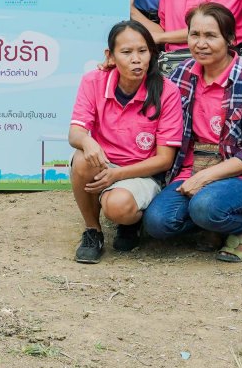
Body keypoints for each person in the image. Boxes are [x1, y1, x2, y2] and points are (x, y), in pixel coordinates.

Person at [140, 3, 242, 262]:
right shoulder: (182, 74)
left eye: (211, 36)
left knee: (205, 206)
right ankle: (213, 224)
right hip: (191, 169)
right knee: (157, 223)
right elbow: (144, 86)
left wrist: (204, 178)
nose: (200, 43)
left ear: (231, 39)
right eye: (194, 34)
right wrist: (110, 67)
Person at [68, 20, 180, 264]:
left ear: (152, 53)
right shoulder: (93, 81)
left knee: (117, 207)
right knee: (81, 159)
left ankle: (130, 220)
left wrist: (117, 176)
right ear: (110, 56)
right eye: (126, 52)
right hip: (105, 165)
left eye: (142, 51)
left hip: (142, 172)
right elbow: (75, 133)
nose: (136, 59)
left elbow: (164, 160)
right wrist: (88, 142)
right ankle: (92, 231)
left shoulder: (167, 91)